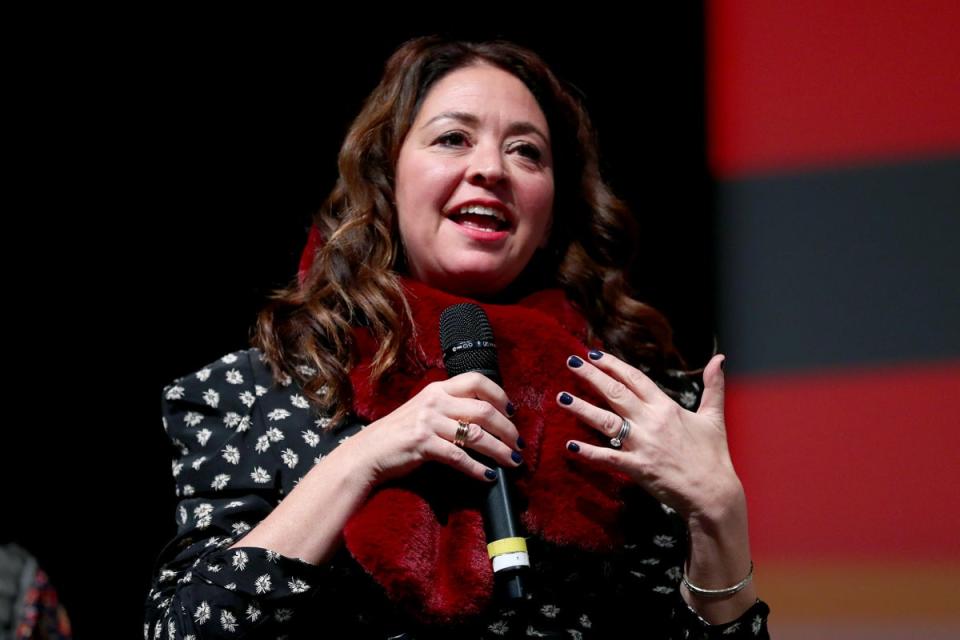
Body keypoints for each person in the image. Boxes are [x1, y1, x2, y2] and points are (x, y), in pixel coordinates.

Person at [144, 35, 771, 639]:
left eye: (527, 151)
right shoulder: (259, 389)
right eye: (452, 138)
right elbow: (185, 628)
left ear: (553, 208)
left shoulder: (637, 402)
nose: (491, 168)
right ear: (386, 180)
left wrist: (720, 514)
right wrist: (365, 456)